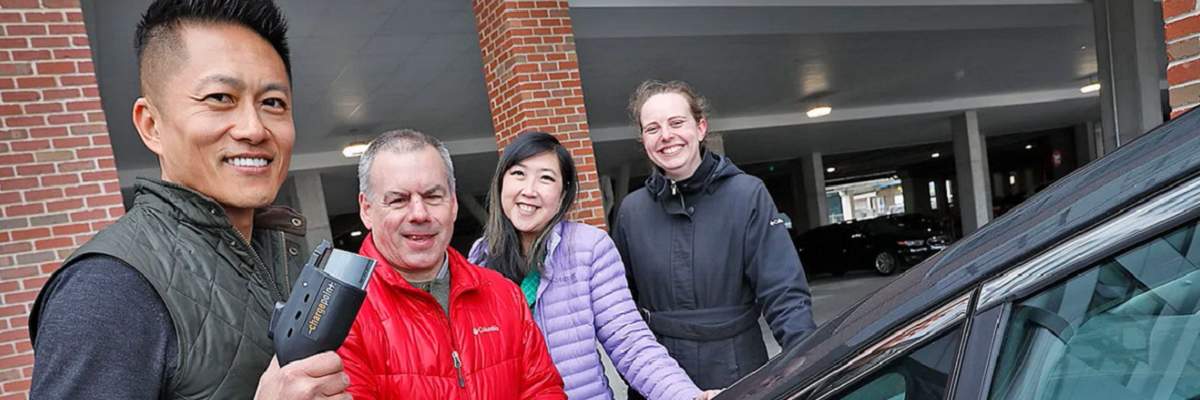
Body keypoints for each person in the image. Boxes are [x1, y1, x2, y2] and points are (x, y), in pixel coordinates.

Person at [27, 0, 350, 399]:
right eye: (219, 98)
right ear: (152, 125)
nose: (254, 128)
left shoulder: (281, 250)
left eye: (273, 103)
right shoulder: (108, 287)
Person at [468, 132, 722, 400]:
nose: (529, 190)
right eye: (518, 174)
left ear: (562, 194)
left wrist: (685, 396)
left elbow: (629, 341)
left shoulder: (588, 247)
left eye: (546, 178)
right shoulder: (480, 258)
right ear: (501, 183)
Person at [613, 80, 818, 396]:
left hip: (735, 367)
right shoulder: (632, 211)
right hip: (659, 374)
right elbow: (619, 306)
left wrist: (807, 362)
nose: (666, 135)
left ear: (700, 127)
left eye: (677, 123)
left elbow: (783, 291)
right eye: (652, 128)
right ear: (643, 141)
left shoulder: (747, 194)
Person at [337, 129, 567, 399]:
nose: (419, 214)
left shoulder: (504, 294)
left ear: (453, 203)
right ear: (367, 209)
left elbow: (543, 390)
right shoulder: (341, 315)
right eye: (398, 200)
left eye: (433, 196)